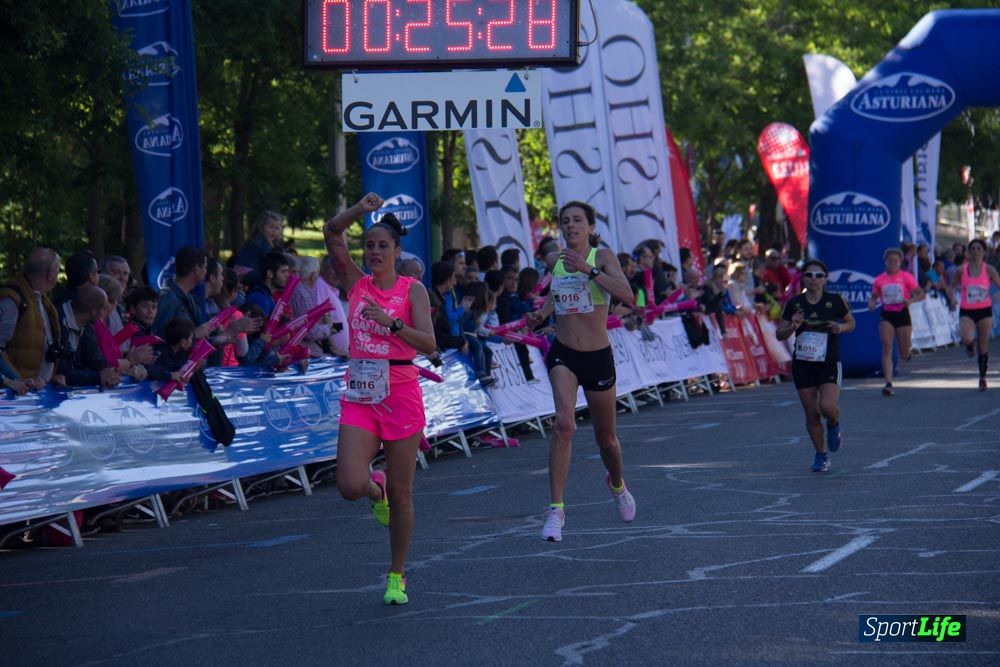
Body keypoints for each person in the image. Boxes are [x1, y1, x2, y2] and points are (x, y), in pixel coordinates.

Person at [323, 194, 437, 605]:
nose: (373, 252)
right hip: (361, 394)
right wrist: (358, 209)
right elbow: (332, 233)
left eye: (382, 246)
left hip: (402, 390)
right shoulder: (357, 285)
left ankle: (396, 574)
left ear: (397, 251)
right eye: (369, 245)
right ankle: (376, 491)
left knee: (405, 493)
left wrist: (392, 324)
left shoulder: (413, 290)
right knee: (350, 485)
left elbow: (428, 343)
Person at [525, 201, 637, 542]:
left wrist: (588, 271)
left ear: (590, 226)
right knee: (564, 423)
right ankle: (556, 509)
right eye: (565, 221)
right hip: (564, 353)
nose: (570, 226)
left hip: (597, 356)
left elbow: (627, 295)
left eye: (577, 221)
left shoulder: (601, 258)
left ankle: (616, 483)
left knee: (607, 440)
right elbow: (558, 297)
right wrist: (540, 315)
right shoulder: (555, 262)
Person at [776, 259, 855, 472]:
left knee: (827, 407)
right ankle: (821, 456)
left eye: (818, 275)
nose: (814, 279)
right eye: (809, 275)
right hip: (803, 364)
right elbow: (779, 334)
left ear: (825, 279)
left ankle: (833, 424)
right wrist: (793, 326)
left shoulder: (835, 300)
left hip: (828, 361)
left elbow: (851, 322)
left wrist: (841, 327)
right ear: (803, 278)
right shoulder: (794, 303)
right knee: (811, 413)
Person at [0, 247, 61, 389]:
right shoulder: (12, 300)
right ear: (51, 274)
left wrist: (51, 378)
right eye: (57, 271)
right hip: (15, 402)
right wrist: (19, 380)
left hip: (37, 394)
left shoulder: (42, 299)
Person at [868, 248, 924, 396]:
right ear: (885, 262)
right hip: (886, 315)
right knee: (887, 347)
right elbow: (874, 296)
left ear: (900, 263)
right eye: (890, 261)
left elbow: (921, 294)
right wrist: (872, 303)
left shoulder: (906, 277)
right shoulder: (879, 280)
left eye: (896, 261)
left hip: (902, 314)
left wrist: (910, 300)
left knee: (904, 352)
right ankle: (888, 383)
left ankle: (907, 354)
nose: (893, 263)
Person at [950, 238, 1000, 391]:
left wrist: (998, 295)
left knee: (983, 347)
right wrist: (952, 300)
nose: (976, 251)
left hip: (984, 311)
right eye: (973, 248)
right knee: (966, 338)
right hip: (967, 310)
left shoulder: (989, 270)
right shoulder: (961, 270)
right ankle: (969, 345)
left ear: (984, 252)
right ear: (969, 252)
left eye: (979, 248)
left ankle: (982, 378)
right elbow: (951, 288)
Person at [234, 210, 284, 283]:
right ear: (262, 227)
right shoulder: (261, 241)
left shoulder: (261, 240)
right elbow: (270, 260)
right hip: (246, 273)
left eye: (277, 228)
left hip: (243, 272)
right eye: (271, 227)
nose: (274, 231)